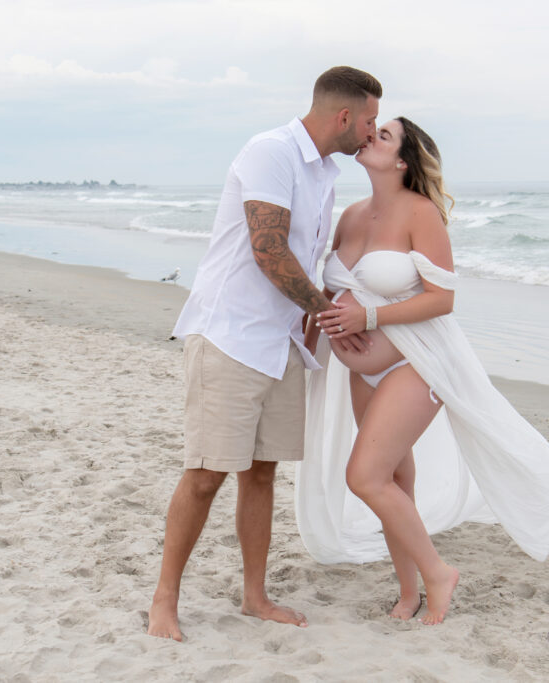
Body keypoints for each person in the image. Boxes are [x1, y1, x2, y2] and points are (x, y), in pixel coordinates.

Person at [296, 117, 549, 625]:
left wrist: (366, 317)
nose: (370, 135)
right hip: (359, 371)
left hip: (416, 365)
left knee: (365, 477)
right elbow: (330, 293)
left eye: (384, 135)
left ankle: (438, 573)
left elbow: (442, 300)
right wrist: (314, 338)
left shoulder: (421, 214)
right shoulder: (351, 215)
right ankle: (409, 590)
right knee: (394, 478)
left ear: (402, 161)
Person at [146, 66, 381, 642]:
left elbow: (301, 254)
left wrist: (319, 317)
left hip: (281, 343)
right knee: (205, 475)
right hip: (230, 335)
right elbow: (269, 248)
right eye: (370, 121)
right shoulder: (271, 151)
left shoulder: (325, 170)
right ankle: (163, 600)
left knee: (261, 474)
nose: (372, 134)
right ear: (344, 116)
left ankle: (255, 596)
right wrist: (329, 312)